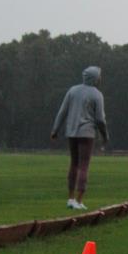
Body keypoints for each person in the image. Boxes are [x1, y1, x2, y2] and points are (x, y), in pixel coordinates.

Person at [50, 66, 109, 210]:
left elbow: (62, 111)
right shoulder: (97, 94)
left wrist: (55, 130)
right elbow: (100, 119)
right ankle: (79, 200)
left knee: (74, 164)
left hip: (71, 132)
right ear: (94, 78)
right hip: (87, 133)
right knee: (84, 166)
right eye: (99, 76)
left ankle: (70, 199)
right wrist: (105, 135)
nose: (100, 78)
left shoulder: (72, 90)